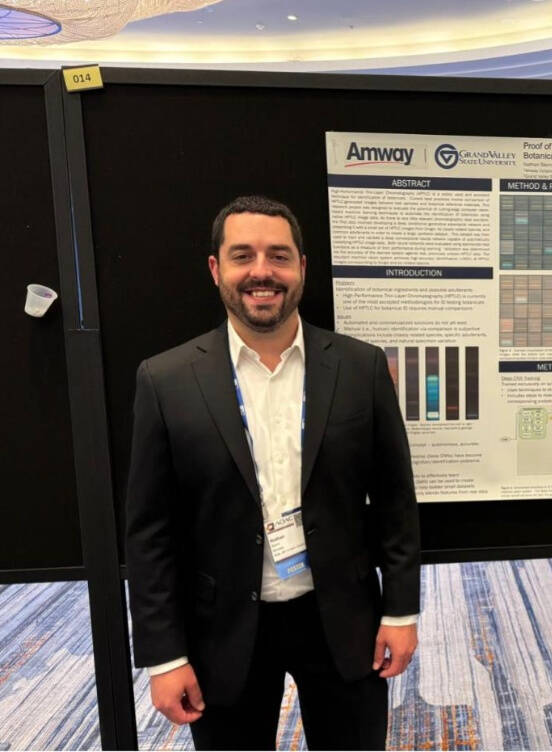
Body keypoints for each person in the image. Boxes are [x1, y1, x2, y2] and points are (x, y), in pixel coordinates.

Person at [125, 195, 420, 750]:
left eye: (278, 256)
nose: (262, 271)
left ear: (302, 268)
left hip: (342, 619)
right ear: (217, 270)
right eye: (243, 256)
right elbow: (150, 532)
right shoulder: (164, 381)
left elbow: (395, 502)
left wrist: (401, 610)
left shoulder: (360, 367)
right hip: (224, 629)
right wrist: (164, 655)